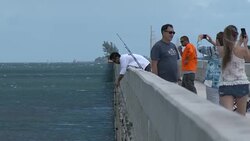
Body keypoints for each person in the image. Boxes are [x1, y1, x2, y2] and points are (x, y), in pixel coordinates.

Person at [219, 25, 249, 116]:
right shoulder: (242, 50)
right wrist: (244, 43)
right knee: (241, 117)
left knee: (227, 118)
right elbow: (248, 58)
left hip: (226, 85)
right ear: (236, 36)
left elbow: (231, 50)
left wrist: (239, 42)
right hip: (241, 84)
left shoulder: (221, 50)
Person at [197, 32, 224, 104]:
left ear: (217, 40)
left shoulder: (213, 49)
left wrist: (199, 39)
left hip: (212, 83)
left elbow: (200, 49)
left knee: (213, 106)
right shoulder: (229, 51)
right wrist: (211, 41)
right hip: (224, 82)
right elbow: (220, 47)